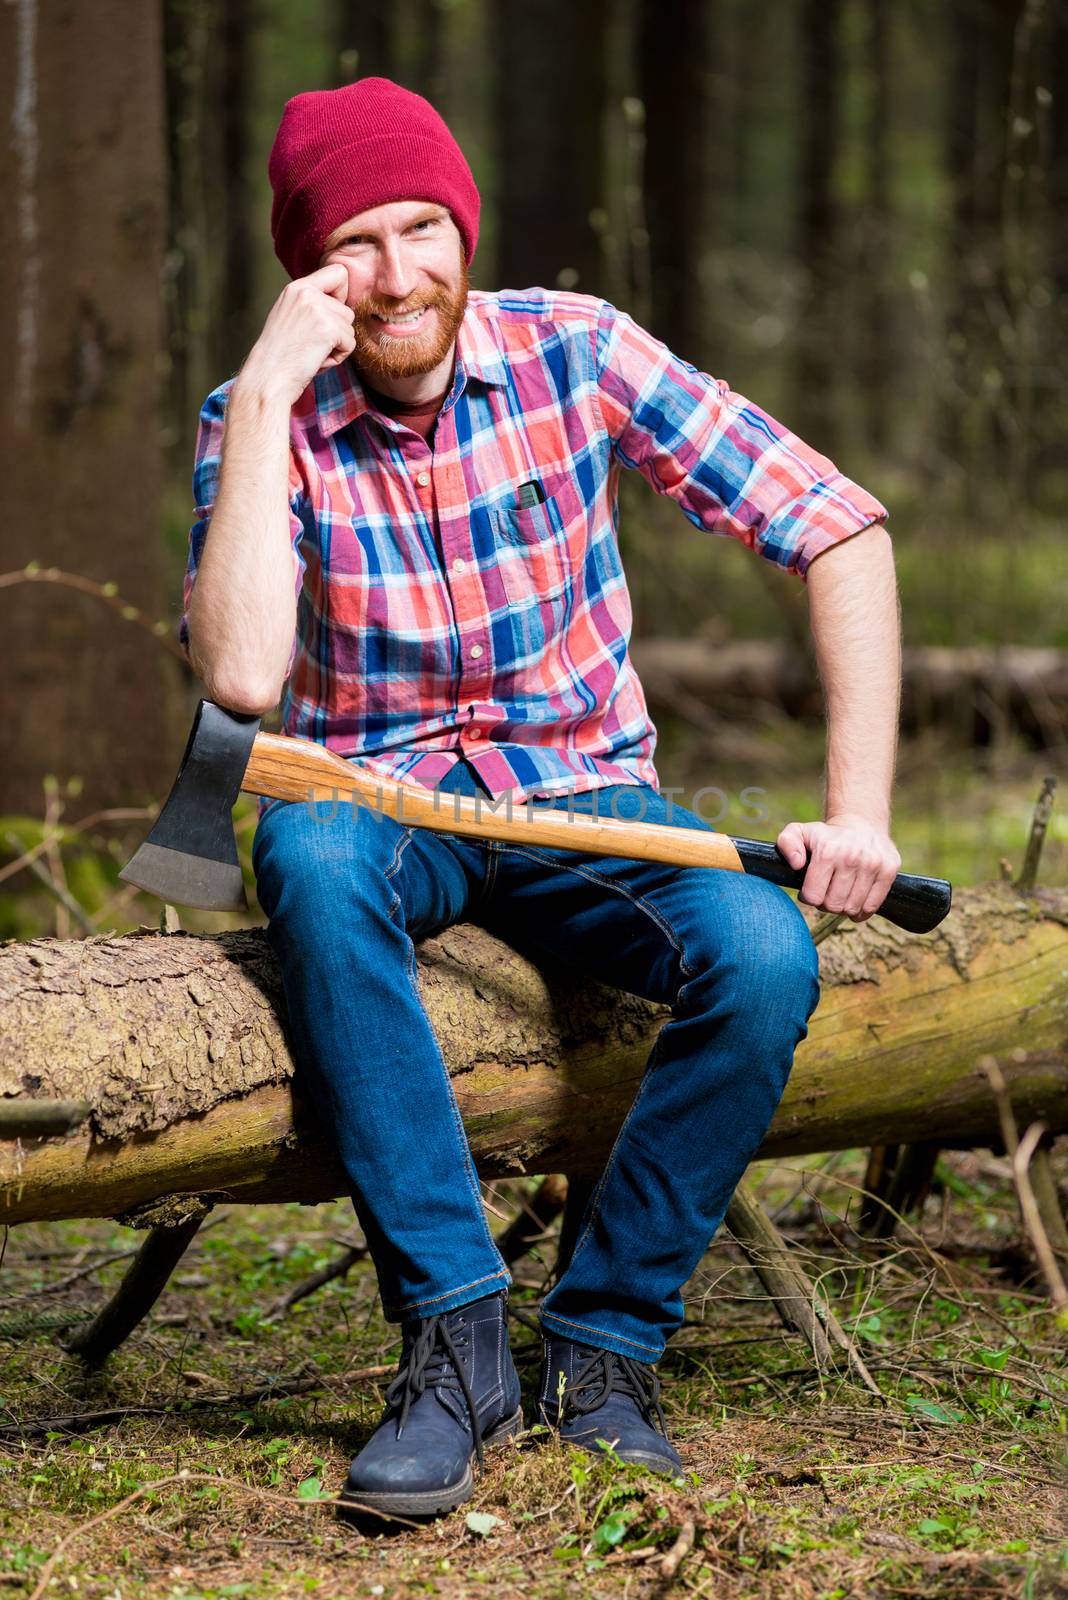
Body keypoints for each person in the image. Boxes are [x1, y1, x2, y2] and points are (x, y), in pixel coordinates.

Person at [180, 77, 902, 1521]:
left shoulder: (578, 351)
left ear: (467, 225)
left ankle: (604, 1346)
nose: (399, 275)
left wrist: (861, 809)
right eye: (355, 248)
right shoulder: (262, 415)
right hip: (377, 804)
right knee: (312, 862)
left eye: (423, 228)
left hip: (587, 804)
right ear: (309, 275)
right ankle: (454, 1342)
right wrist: (263, 390)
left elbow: (837, 525)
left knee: (763, 955)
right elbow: (245, 678)